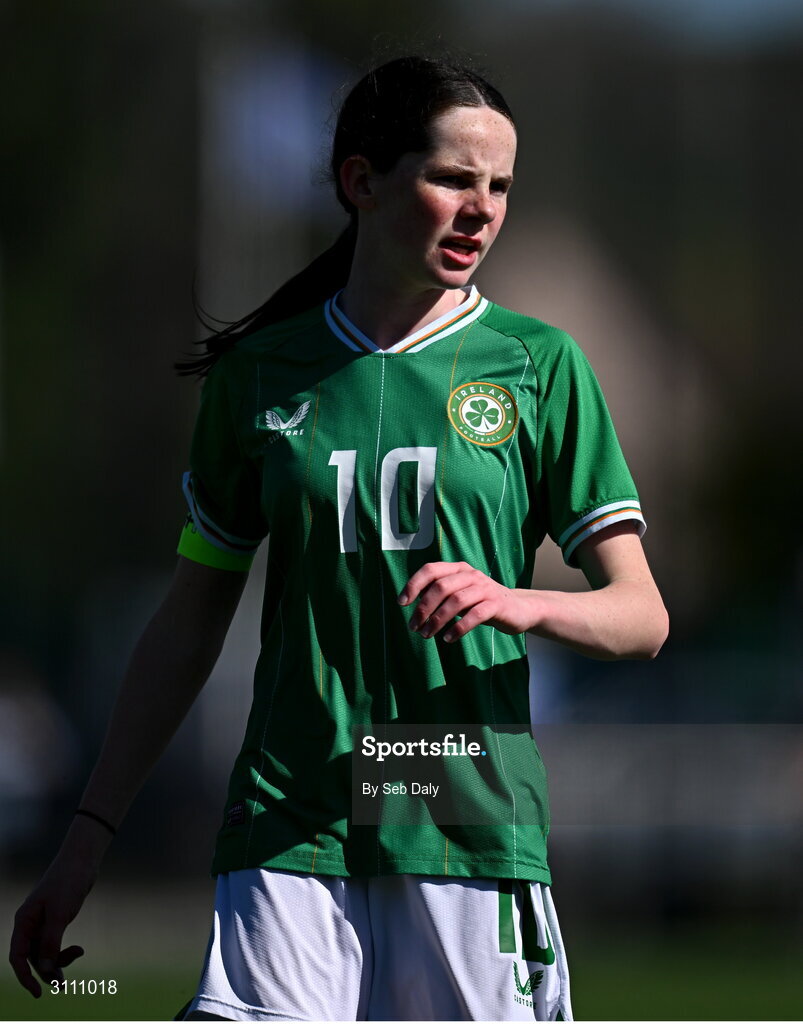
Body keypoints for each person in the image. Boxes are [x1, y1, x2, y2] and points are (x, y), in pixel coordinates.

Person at [9, 55, 668, 1021]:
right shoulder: (262, 376)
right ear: (362, 181)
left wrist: (515, 601)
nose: (480, 210)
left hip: (457, 806)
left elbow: (640, 613)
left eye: (499, 188)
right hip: (290, 805)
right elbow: (190, 621)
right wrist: (85, 841)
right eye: (451, 178)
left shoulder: (538, 365)